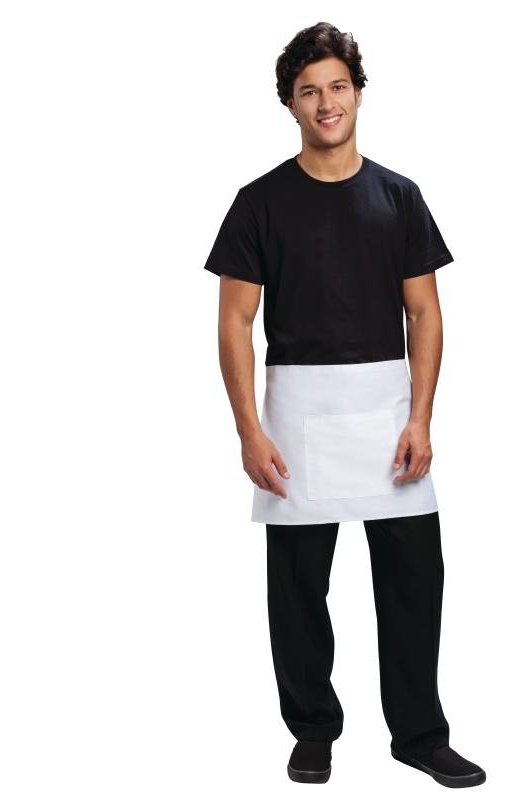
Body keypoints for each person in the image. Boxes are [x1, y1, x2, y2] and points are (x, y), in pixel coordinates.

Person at [203, 22, 486, 789]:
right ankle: (312, 731)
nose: (325, 102)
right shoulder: (259, 203)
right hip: (296, 415)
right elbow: (234, 322)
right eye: (309, 91)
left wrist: (422, 416)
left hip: (388, 414)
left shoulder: (398, 197)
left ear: (357, 92)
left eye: (337, 86)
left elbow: (424, 313)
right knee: (297, 589)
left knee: (415, 580)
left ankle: (419, 735)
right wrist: (248, 431)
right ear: (290, 104)